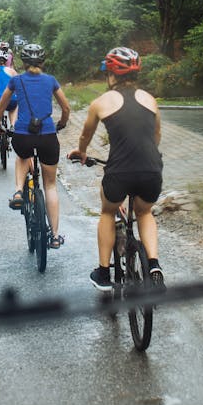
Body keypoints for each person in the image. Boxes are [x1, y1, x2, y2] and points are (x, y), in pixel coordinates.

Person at [68, 46, 165, 292]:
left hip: (119, 173)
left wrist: (81, 153)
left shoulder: (100, 102)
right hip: (151, 171)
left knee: (108, 212)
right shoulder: (150, 100)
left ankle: (102, 273)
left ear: (110, 74)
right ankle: (154, 268)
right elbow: (156, 136)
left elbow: (85, 136)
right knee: (144, 213)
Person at [0, 43, 70, 249]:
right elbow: (66, 106)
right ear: (43, 62)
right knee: (50, 185)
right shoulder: (51, 81)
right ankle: (54, 236)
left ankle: (18, 192)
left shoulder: (16, 80)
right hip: (47, 136)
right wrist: (61, 123)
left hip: (24, 135)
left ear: (22, 63)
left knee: (22, 156)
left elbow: (1, 105)